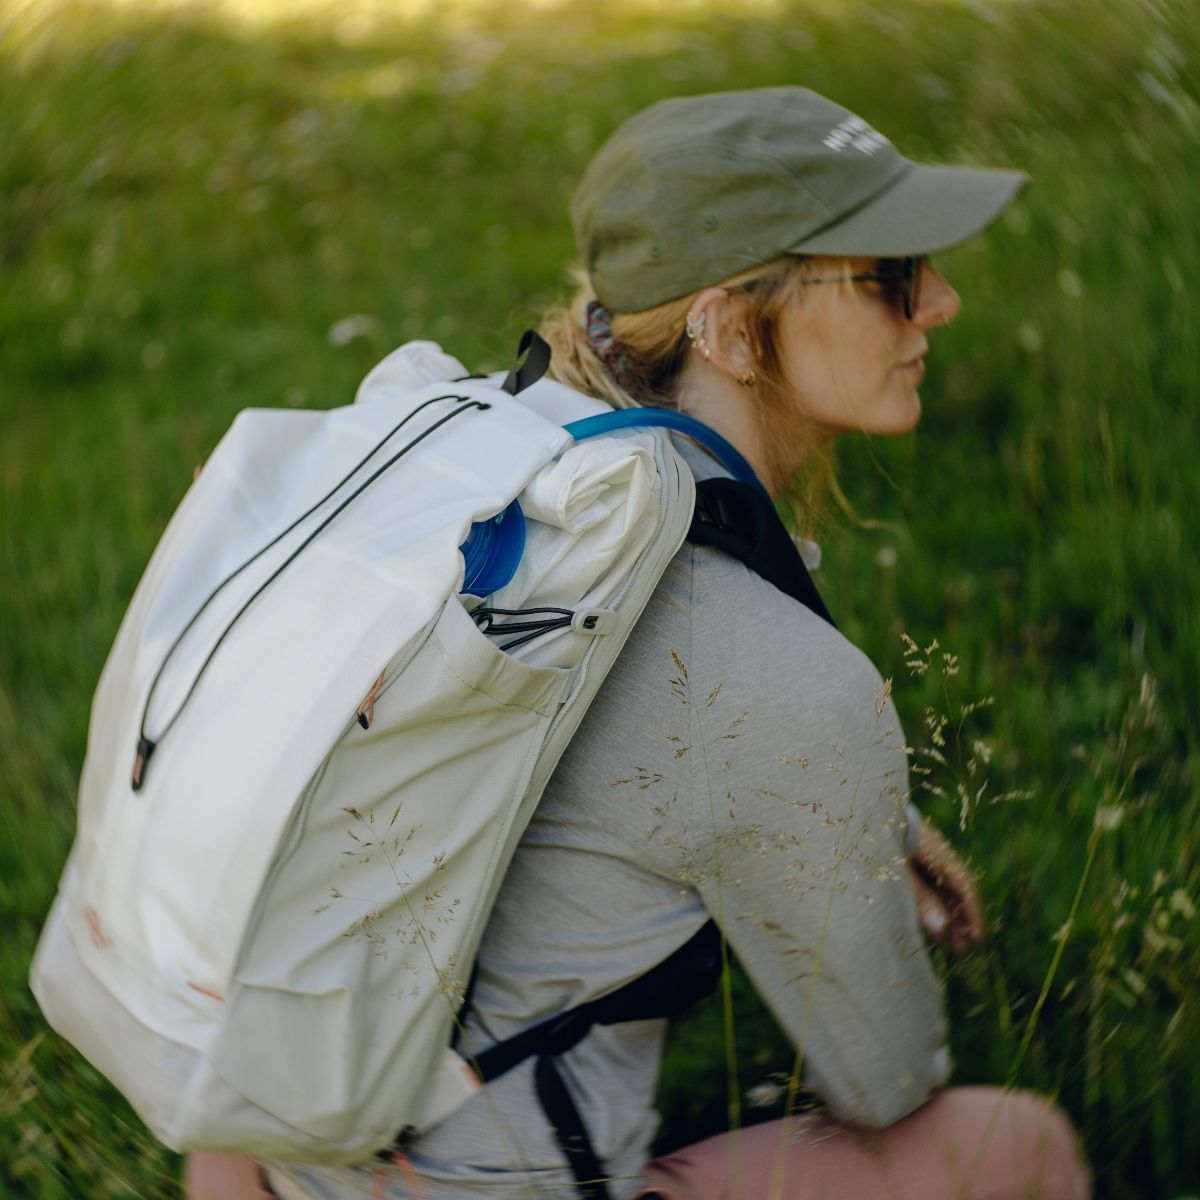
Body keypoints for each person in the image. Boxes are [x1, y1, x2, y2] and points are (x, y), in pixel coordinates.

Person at [188, 87, 1090, 1200]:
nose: (940, 303)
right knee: (1016, 1148)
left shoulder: (486, 463)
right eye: (889, 277)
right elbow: (888, 1077)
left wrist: (875, 816)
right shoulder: (769, 677)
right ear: (723, 326)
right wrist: (831, 792)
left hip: (257, 1134)